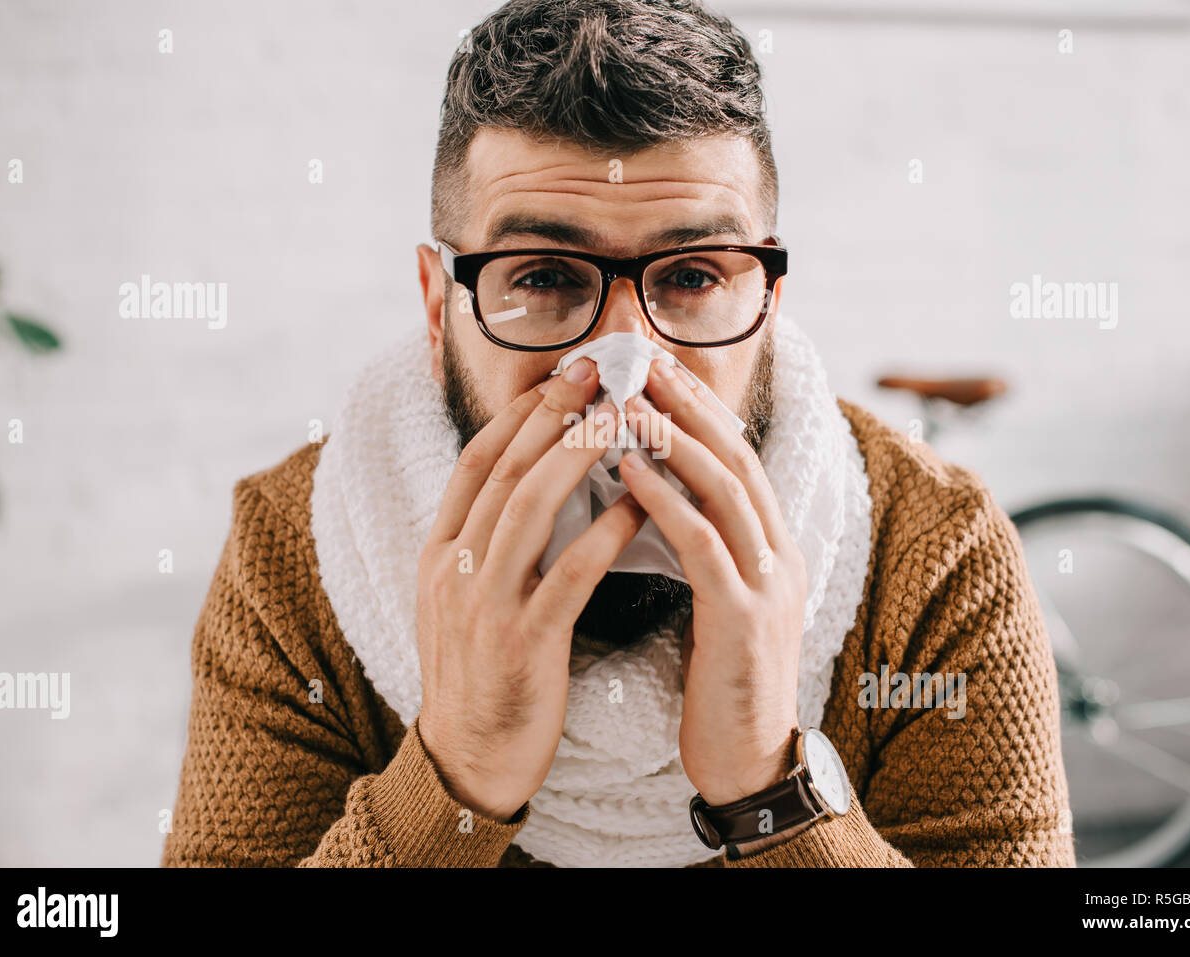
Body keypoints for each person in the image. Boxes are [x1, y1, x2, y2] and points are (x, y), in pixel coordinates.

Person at [161, 0, 1075, 868]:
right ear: (440, 309)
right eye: (546, 274)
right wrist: (456, 773)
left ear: (766, 305)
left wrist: (770, 785)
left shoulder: (938, 554)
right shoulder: (297, 552)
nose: (627, 370)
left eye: (691, 274)